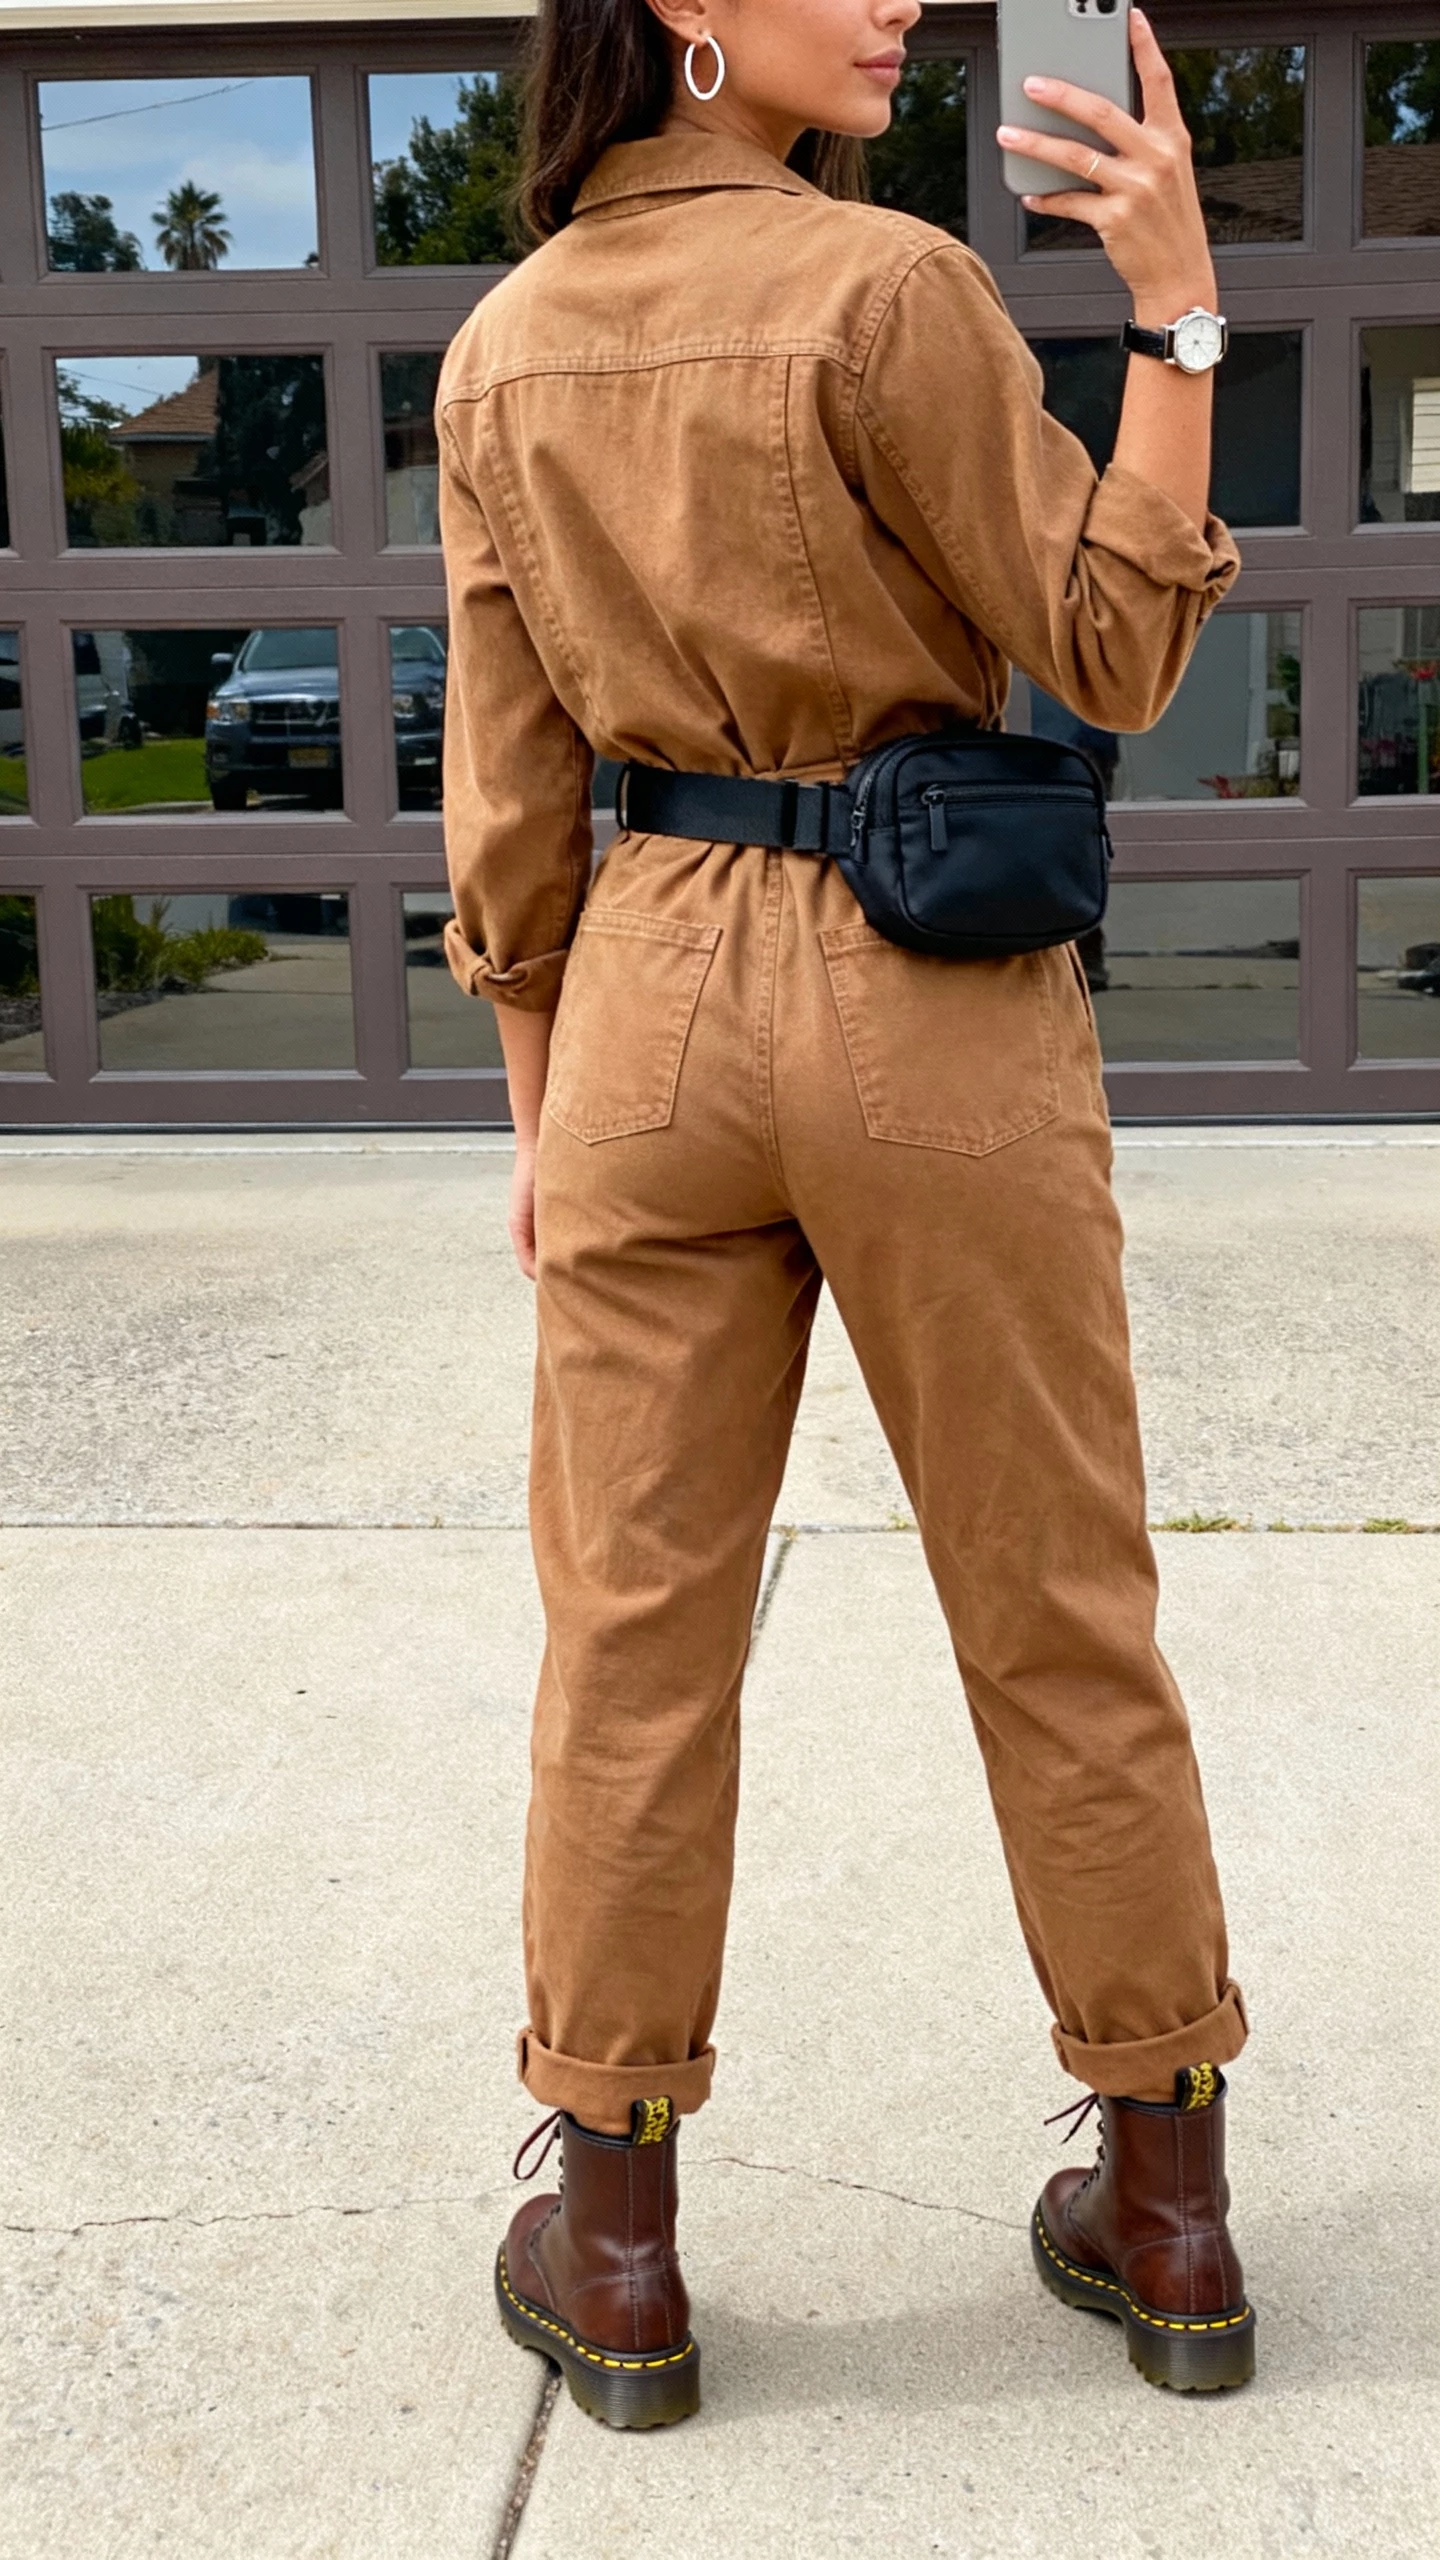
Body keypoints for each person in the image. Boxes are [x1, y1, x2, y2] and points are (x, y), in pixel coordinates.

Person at [438, 0, 1253, 2430]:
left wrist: (538, 1108)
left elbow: (510, 798)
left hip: (647, 1010)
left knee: (631, 1635)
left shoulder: (493, 353)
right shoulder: (887, 287)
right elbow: (1109, 644)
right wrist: (1184, 317)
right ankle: (1173, 2204)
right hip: (932, 989)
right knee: (1057, 1598)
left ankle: (615, 2240)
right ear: (685, 11)